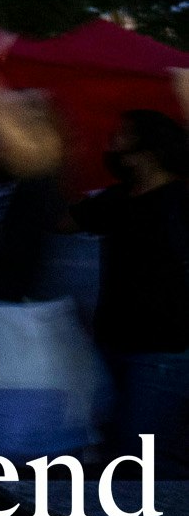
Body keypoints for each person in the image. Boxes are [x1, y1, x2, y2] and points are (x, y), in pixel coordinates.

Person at [58, 109, 189, 476]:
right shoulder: (117, 199)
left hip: (165, 347)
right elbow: (63, 222)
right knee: (119, 446)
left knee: (142, 452)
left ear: (149, 145)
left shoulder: (180, 199)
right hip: (114, 340)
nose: (113, 141)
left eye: (123, 134)